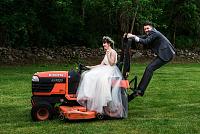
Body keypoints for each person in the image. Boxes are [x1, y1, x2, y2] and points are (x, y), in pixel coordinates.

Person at [77, 36, 128, 118]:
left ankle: (103, 100)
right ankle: (88, 95)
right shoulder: (107, 52)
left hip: (111, 70)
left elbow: (111, 63)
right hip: (104, 69)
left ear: (109, 44)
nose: (103, 45)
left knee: (101, 79)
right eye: (103, 44)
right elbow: (101, 65)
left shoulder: (113, 52)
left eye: (105, 44)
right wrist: (89, 67)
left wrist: (108, 55)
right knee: (87, 74)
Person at [127, 21, 175, 97]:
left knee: (150, 68)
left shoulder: (155, 33)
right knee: (149, 68)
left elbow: (146, 41)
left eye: (147, 28)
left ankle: (140, 90)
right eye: (145, 29)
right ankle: (140, 90)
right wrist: (132, 36)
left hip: (166, 54)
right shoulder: (151, 33)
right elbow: (143, 37)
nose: (146, 30)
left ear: (151, 28)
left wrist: (133, 37)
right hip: (165, 53)